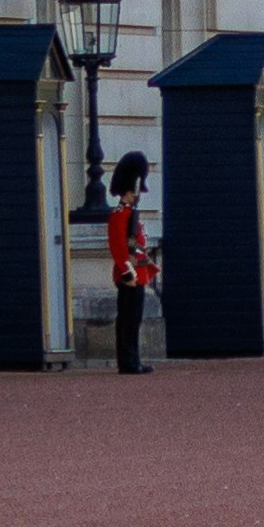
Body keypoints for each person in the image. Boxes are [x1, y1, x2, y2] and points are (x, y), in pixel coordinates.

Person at [101, 145, 160, 373]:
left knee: (134, 320)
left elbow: (136, 246)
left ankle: (133, 359)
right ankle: (127, 362)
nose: (137, 195)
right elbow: (119, 248)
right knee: (127, 320)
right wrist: (128, 273)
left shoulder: (130, 215)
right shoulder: (118, 215)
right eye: (134, 191)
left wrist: (149, 266)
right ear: (128, 191)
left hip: (137, 274)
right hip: (129, 276)